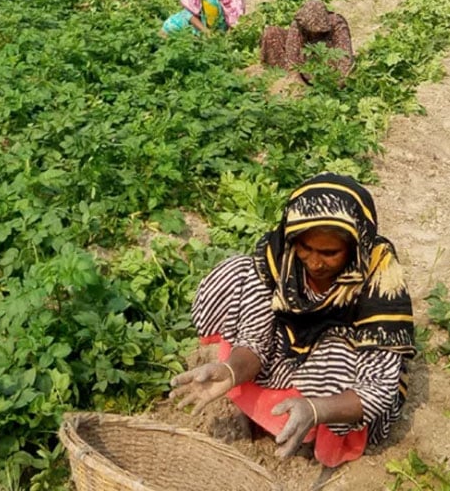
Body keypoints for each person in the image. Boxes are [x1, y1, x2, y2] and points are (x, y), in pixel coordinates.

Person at [170, 173, 415, 468]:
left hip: (343, 384)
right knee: (238, 273)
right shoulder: (278, 258)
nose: (314, 262)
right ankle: (261, 409)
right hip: (289, 351)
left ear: (355, 246)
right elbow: (255, 337)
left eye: (329, 253)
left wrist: (315, 409)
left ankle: (319, 431)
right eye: (305, 248)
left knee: (332, 354)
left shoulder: (380, 281)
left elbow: (378, 386)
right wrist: (231, 370)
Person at [261, 0, 354, 85]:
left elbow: (345, 57)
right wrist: (298, 81)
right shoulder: (299, 23)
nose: (314, 34)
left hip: (326, 64)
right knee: (271, 32)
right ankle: (282, 74)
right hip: (306, 65)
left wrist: (337, 83)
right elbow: (292, 55)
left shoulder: (337, 24)